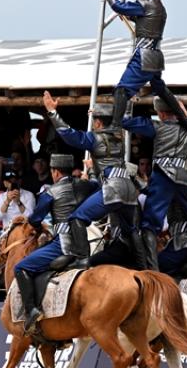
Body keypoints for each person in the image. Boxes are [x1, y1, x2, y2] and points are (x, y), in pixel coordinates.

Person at [42, 92, 139, 268]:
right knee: (130, 230)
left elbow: (69, 134)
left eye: (94, 121)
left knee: (77, 218)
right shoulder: (119, 137)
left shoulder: (95, 138)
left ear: (99, 122)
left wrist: (52, 113)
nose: (93, 124)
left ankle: (82, 259)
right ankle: (143, 265)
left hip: (112, 187)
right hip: (129, 189)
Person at [122, 97, 187, 276]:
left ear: (161, 113)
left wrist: (129, 103)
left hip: (163, 175)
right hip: (182, 175)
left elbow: (125, 121)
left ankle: (153, 272)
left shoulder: (158, 127)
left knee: (149, 226)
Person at [13, 154, 97, 334]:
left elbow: (36, 218)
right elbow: (97, 185)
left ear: (56, 172)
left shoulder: (50, 192)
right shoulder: (85, 185)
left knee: (21, 267)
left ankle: (31, 310)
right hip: (86, 241)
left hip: (63, 243)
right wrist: (90, 170)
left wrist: (34, 223)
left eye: (52, 172)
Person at [100, 0, 187, 128]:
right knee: (162, 91)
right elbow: (140, 19)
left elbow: (118, 6)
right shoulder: (160, 8)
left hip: (143, 56)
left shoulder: (146, 4)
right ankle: (185, 121)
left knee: (122, 90)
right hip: (156, 56)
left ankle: (114, 128)